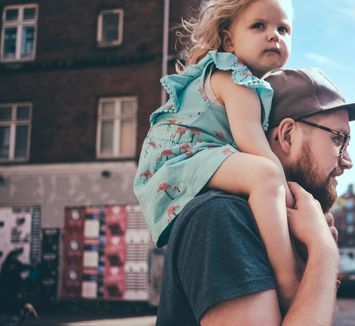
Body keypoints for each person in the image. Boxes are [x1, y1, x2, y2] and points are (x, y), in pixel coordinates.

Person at [156, 68, 355, 325]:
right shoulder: (222, 216)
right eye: (338, 138)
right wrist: (325, 253)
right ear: (286, 135)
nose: (348, 161)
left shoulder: (281, 230)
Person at [134, 0, 300, 310]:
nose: (274, 35)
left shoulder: (237, 80)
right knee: (266, 175)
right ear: (228, 40)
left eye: (283, 29)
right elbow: (256, 149)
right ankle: (289, 282)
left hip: (181, 161)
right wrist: (293, 198)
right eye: (258, 26)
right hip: (183, 158)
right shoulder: (235, 80)